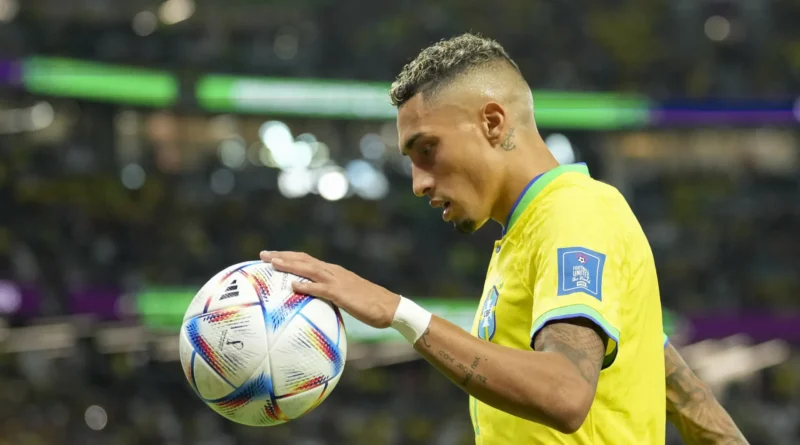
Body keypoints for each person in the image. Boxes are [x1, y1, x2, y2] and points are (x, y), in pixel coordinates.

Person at [260, 33, 747, 444]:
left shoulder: (572, 213)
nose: (418, 183)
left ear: (492, 123)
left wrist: (399, 313)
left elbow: (564, 394)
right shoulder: (533, 231)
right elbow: (669, 380)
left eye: (427, 149)